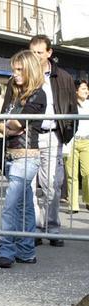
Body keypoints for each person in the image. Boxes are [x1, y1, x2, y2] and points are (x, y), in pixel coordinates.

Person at [0, 50, 46, 268]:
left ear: (30, 70)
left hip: (28, 157)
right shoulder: (12, 87)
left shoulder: (38, 94)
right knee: (24, 206)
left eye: (19, 70)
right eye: (13, 69)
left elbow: (18, 123)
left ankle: (5, 250)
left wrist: (10, 125)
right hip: (10, 154)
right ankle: (26, 252)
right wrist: (10, 126)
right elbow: (1, 123)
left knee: (10, 204)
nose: (15, 74)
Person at [26, 35, 77, 246]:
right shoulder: (24, 74)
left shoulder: (63, 78)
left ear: (49, 53)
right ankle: (35, 228)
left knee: (52, 186)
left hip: (53, 135)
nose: (36, 56)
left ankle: (52, 227)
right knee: (28, 186)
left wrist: (66, 134)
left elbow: (72, 110)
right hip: (29, 136)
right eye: (33, 52)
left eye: (40, 52)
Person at [64, 79, 89, 213]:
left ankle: (88, 199)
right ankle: (73, 205)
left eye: (87, 89)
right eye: (83, 88)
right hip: (72, 141)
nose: (86, 91)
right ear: (76, 91)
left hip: (87, 142)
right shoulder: (70, 105)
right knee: (71, 175)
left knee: (87, 173)